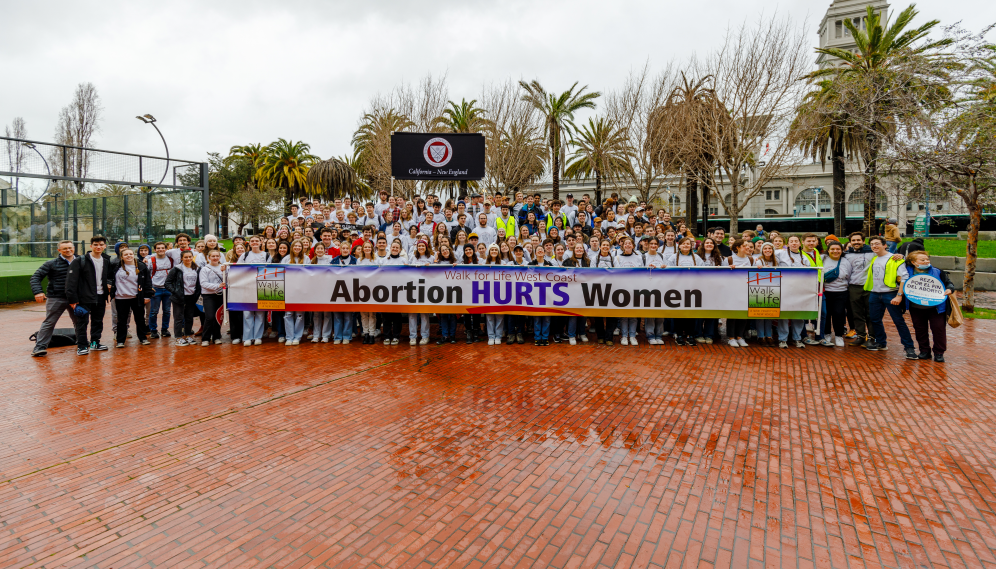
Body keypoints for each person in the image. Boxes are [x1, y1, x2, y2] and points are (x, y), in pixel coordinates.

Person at [864, 235, 915, 358]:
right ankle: (881, 343)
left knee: (898, 321)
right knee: (875, 320)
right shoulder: (874, 259)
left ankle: (909, 348)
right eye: (872, 244)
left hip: (891, 294)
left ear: (885, 245)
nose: (874, 246)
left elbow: (904, 277)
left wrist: (899, 295)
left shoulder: (895, 258)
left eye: (877, 244)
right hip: (875, 294)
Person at [30, 240, 79, 356]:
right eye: (65, 248)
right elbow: (35, 277)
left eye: (70, 248)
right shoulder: (51, 263)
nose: (68, 250)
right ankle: (39, 347)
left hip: (76, 298)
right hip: (56, 298)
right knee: (49, 322)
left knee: (80, 321)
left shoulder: (81, 261)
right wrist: (38, 292)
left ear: (74, 248)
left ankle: (82, 342)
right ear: (59, 250)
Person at [904, 250, 953, 362]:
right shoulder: (906, 272)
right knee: (920, 329)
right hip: (916, 307)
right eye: (922, 260)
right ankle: (924, 351)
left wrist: (950, 289)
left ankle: (939, 353)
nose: (926, 261)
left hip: (936, 307)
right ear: (913, 262)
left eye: (927, 259)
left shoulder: (937, 271)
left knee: (938, 330)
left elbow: (949, 283)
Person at [65, 236, 111, 355]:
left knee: (97, 321)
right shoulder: (80, 260)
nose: (98, 247)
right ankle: (82, 346)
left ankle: (95, 343)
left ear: (105, 246)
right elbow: (71, 281)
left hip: (100, 297)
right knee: (82, 323)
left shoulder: (106, 261)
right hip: (83, 298)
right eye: (95, 244)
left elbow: (109, 277)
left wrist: (109, 285)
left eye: (101, 244)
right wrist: (73, 299)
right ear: (91, 246)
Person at [107, 247, 153, 348]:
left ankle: (143, 338)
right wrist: (111, 288)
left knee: (140, 319)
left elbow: (147, 282)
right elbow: (109, 277)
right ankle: (120, 340)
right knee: (122, 320)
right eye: (126, 255)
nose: (129, 256)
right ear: (122, 257)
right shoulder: (116, 266)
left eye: (130, 254)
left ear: (134, 255)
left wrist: (147, 295)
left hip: (136, 297)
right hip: (120, 297)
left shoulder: (141, 266)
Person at [843, 232, 875, 346]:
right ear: (850, 242)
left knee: (870, 313)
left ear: (863, 241)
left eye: (858, 240)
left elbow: (889, 256)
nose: (856, 242)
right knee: (856, 313)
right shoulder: (846, 254)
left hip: (870, 287)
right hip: (853, 286)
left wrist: (900, 255)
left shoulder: (873, 252)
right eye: (853, 240)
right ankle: (861, 335)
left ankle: (872, 337)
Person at [238, 236, 271, 346]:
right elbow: (237, 270)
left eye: (257, 241)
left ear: (261, 242)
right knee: (247, 313)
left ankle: (258, 337)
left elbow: (270, 270)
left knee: (260, 314)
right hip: (247, 287)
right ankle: (247, 337)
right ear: (249, 243)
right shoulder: (245, 255)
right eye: (252, 241)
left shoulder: (266, 255)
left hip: (262, 287)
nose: (255, 242)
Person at [165, 250, 201, 347]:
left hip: (191, 297)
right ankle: (178, 337)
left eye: (190, 257)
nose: (188, 259)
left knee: (189, 317)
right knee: (179, 318)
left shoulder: (197, 268)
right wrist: (176, 292)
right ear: (181, 258)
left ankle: (187, 335)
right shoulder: (177, 269)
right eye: (186, 257)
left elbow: (198, 283)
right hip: (179, 297)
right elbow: (167, 283)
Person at [614, 236, 645, 346]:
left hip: (635, 289)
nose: (627, 245)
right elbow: (616, 274)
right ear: (622, 245)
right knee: (623, 315)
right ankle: (624, 336)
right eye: (625, 243)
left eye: (629, 243)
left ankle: (632, 336)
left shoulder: (638, 257)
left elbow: (642, 273)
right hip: (622, 289)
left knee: (633, 315)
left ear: (633, 245)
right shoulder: (617, 258)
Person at [820, 241, 850, 347]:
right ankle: (827, 333)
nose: (835, 251)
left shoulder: (845, 261)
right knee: (826, 314)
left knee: (839, 314)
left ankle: (838, 335)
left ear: (842, 251)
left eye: (838, 249)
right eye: (832, 249)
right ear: (828, 250)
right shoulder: (822, 259)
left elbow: (849, 276)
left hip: (841, 292)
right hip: (825, 291)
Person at [281, 239, 309, 345]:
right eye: (295, 246)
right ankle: (289, 337)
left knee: (299, 315)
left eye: (299, 246)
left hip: (301, 290)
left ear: (302, 248)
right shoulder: (286, 259)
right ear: (292, 247)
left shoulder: (306, 259)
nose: (297, 248)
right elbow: (280, 272)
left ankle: (297, 337)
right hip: (288, 290)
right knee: (288, 314)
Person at [330, 241, 357, 344]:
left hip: (350, 291)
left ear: (350, 249)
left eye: (347, 248)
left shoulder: (354, 261)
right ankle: (337, 337)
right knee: (337, 316)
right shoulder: (334, 261)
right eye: (343, 248)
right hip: (336, 290)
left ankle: (346, 336)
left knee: (348, 316)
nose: (345, 250)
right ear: (340, 249)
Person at [146, 241, 174, 339]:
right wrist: (149, 287)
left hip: (168, 289)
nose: (160, 250)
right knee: (154, 311)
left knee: (167, 311)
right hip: (155, 288)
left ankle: (164, 329)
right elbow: (147, 275)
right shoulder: (151, 260)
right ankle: (153, 330)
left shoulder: (170, 259)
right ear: (155, 250)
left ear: (166, 249)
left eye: (162, 248)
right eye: (158, 248)